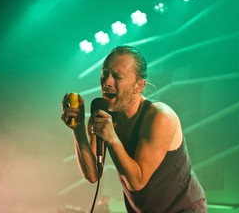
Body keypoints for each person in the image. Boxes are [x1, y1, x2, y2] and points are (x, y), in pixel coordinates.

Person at [61, 45, 207, 212]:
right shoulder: (103, 117)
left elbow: (137, 182)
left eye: (117, 76)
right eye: (104, 74)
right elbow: (93, 174)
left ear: (139, 85)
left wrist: (112, 138)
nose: (106, 82)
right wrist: (78, 129)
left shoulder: (160, 117)